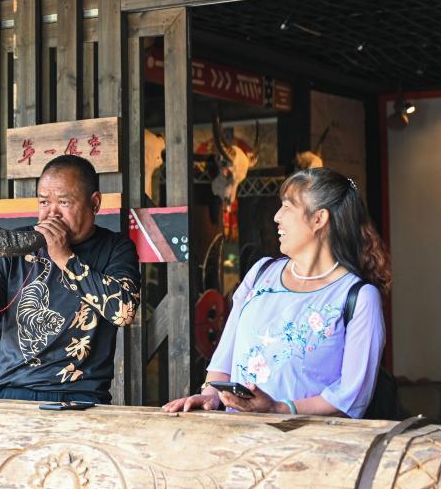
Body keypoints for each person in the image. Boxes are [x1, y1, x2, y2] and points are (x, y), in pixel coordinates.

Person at [163, 167, 390, 418]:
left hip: (306, 440)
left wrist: (278, 409)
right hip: (235, 434)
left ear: (319, 219)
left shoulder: (358, 297)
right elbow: (225, 354)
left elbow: (351, 396)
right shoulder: (261, 273)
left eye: (287, 207)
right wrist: (210, 394)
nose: (276, 217)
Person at [0, 155, 141, 404]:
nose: (52, 213)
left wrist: (65, 257)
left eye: (64, 202)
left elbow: (123, 312)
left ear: (94, 203)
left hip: (81, 396)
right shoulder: (18, 244)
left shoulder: (116, 248)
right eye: (44, 202)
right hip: (12, 390)